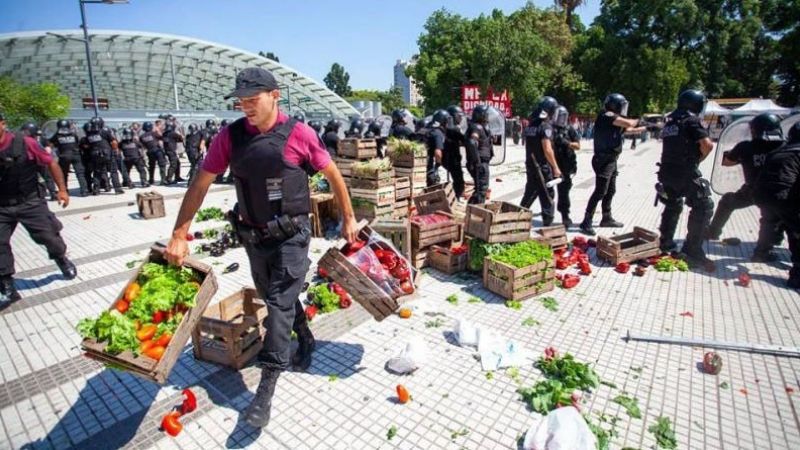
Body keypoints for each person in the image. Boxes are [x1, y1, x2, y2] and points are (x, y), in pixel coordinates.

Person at [164, 67, 357, 429]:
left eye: (252, 100)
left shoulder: (300, 134)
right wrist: (180, 231)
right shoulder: (230, 138)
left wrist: (347, 218)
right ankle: (306, 336)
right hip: (253, 237)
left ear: (275, 96)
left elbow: (333, 176)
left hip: (292, 236)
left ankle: (265, 389)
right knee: (273, 298)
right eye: (241, 102)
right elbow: (201, 183)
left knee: (281, 302)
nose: (246, 108)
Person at [0, 112, 76, 302]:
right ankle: (7, 283)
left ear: (2, 124)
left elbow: (51, 163)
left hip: (30, 201)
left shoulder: (25, 143)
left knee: (49, 236)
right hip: (2, 206)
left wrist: (62, 190)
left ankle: (61, 258)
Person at [705, 113, 785, 261]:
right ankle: (765, 249)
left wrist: (743, 158)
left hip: (752, 190)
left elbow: (727, 162)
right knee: (773, 217)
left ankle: (712, 232)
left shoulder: (745, 147)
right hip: (776, 191)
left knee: (727, 202)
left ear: (754, 130)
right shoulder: (784, 146)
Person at [655, 89, 716, 269]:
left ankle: (665, 241)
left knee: (673, 204)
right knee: (704, 206)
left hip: (666, 172)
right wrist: (697, 160)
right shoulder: (691, 120)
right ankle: (692, 250)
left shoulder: (670, 122)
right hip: (685, 172)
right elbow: (707, 145)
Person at [579, 94, 647, 235]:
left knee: (610, 190)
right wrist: (639, 120)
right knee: (600, 191)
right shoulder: (606, 115)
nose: (624, 109)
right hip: (603, 160)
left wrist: (647, 128)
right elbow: (629, 124)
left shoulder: (613, 120)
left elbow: (628, 130)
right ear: (615, 105)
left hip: (611, 160)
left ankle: (606, 217)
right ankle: (586, 221)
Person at [754, 123, 800, 288]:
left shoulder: (778, 151)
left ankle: (761, 252)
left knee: (770, 220)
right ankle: (797, 275)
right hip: (784, 196)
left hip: (762, 194)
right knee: (795, 230)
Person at [520, 97, 561, 226]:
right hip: (541, 166)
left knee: (530, 193)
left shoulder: (531, 125)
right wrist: (555, 167)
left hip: (531, 165)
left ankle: (517, 218)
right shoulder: (545, 126)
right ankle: (548, 224)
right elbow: (547, 149)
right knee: (547, 196)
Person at [552, 106, 581, 227]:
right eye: (560, 116)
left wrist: (567, 143)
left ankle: (565, 216)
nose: (562, 119)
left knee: (564, 192)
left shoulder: (569, 129)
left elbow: (578, 146)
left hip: (566, 165)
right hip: (553, 164)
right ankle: (547, 213)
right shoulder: (550, 129)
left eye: (564, 116)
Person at [81, 117, 123, 195]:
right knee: (113, 171)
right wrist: (115, 150)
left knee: (97, 173)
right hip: (107, 153)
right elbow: (113, 142)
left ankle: (96, 190)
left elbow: (86, 145)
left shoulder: (89, 134)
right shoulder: (105, 130)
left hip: (95, 155)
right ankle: (118, 189)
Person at [49, 119, 89, 197]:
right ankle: (84, 191)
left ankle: (65, 190)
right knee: (80, 174)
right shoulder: (73, 134)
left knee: (63, 174)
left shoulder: (57, 135)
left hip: (64, 156)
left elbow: (51, 144)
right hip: (76, 155)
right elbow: (77, 143)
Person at [465, 105, 493, 204]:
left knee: (480, 189)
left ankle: (472, 209)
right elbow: (472, 142)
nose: (487, 116)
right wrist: (477, 161)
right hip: (479, 163)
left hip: (480, 163)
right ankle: (476, 213)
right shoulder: (476, 127)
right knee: (482, 190)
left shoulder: (479, 126)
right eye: (485, 114)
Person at [444, 105, 467, 199]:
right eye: (459, 115)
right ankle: (455, 200)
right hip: (453, 159)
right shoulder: (454, 129)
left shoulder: (445, 127)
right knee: (459, 183)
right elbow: (465, 140)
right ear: (453, 116)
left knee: (457, 181)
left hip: (447, 158)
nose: (461, 118)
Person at [425, 110, 449, 187]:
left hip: (418, 162)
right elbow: (438, 153)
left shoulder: (425, 129)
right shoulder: (438, 133)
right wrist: (439, 164)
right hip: (427, 163)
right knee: (433, 182)